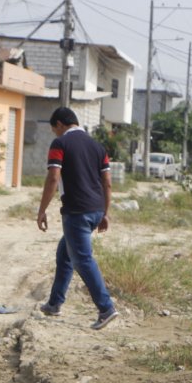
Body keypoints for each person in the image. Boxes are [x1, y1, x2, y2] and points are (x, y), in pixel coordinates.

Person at [37, 107, 119, 330]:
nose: (55, 134)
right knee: (65, 253)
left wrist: (42, 210)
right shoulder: (97, 146)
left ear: (60, 125)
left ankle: (106, 308)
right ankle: (54, 303)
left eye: (55, 130)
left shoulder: (60, 144)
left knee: (83, 259)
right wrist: (105, 213)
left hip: (77, 212)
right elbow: (107, 182)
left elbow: (53, 178)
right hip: (95, 210)